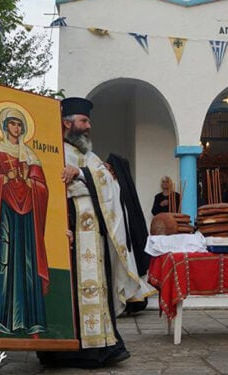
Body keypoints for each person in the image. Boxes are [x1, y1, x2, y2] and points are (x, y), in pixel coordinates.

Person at [36, 97, 154, 368]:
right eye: (84, 121)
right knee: (67, 291)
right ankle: (62, 350)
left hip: (95, 235)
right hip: (68, 232)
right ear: (67, 124)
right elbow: (48, 189)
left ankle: (100, 346)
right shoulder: (52, 151)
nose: (89, 127)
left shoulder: (92, 157)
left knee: (96, 289)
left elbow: (112, 187)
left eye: (88, 121)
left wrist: (81, 173)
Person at [0, 106, 49, 338]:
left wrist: (31, 183)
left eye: (19, 124)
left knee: (29, 263)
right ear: (5, 126)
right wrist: (3, 178)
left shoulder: (30, 155)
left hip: (28, 215)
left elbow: (43, 188)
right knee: (4, 260)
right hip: (5, 211)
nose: (16, 128)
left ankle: (34, 325)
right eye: (12, 123)